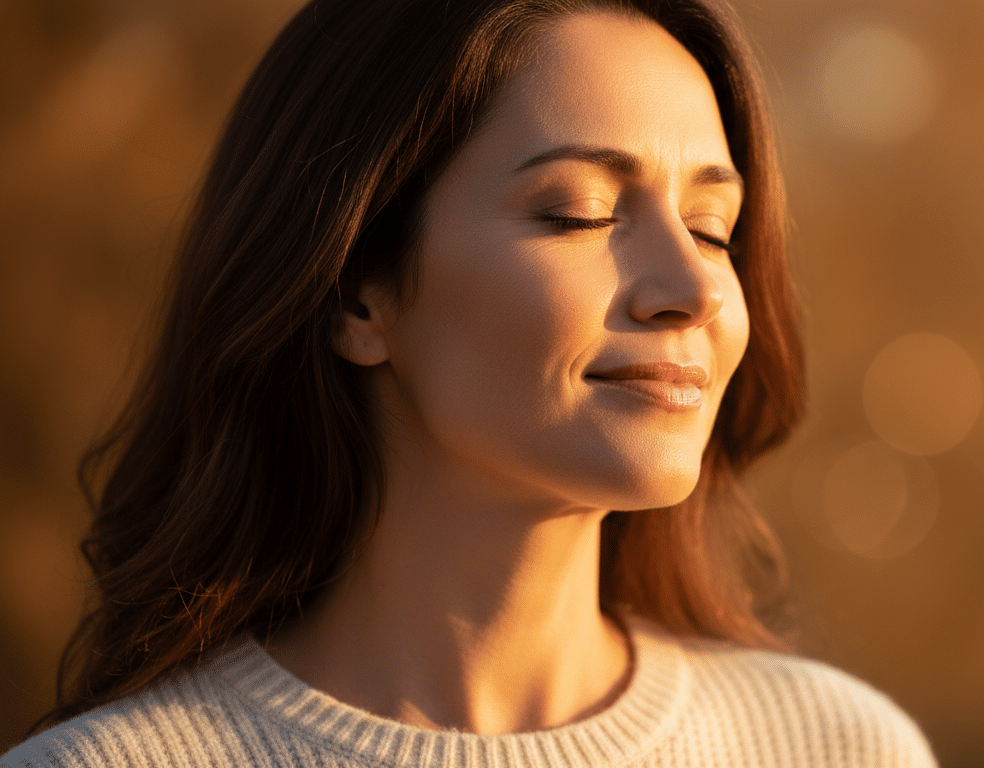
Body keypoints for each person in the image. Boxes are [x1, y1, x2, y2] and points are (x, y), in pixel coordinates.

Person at [2, 0, 936, 765]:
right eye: (581, 213)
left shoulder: (837, 749)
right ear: (357, 295)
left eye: (713, 227)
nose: (691, 288)